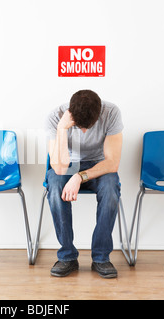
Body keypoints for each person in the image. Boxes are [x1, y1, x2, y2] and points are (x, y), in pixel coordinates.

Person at [45, 89, 123, 278]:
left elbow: (112, 163)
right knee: (54, 185)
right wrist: (62, 129)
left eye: (89, 126)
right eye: (80, 126)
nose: (84, 131)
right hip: (68, 165)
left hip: (100, 166)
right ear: (70, 113)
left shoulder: (111, 112)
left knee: (111, 189)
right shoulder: (56, 117)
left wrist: (79, 177)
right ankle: (67, 256)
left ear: (99, 113)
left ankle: (101, 258)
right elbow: (60, 168)